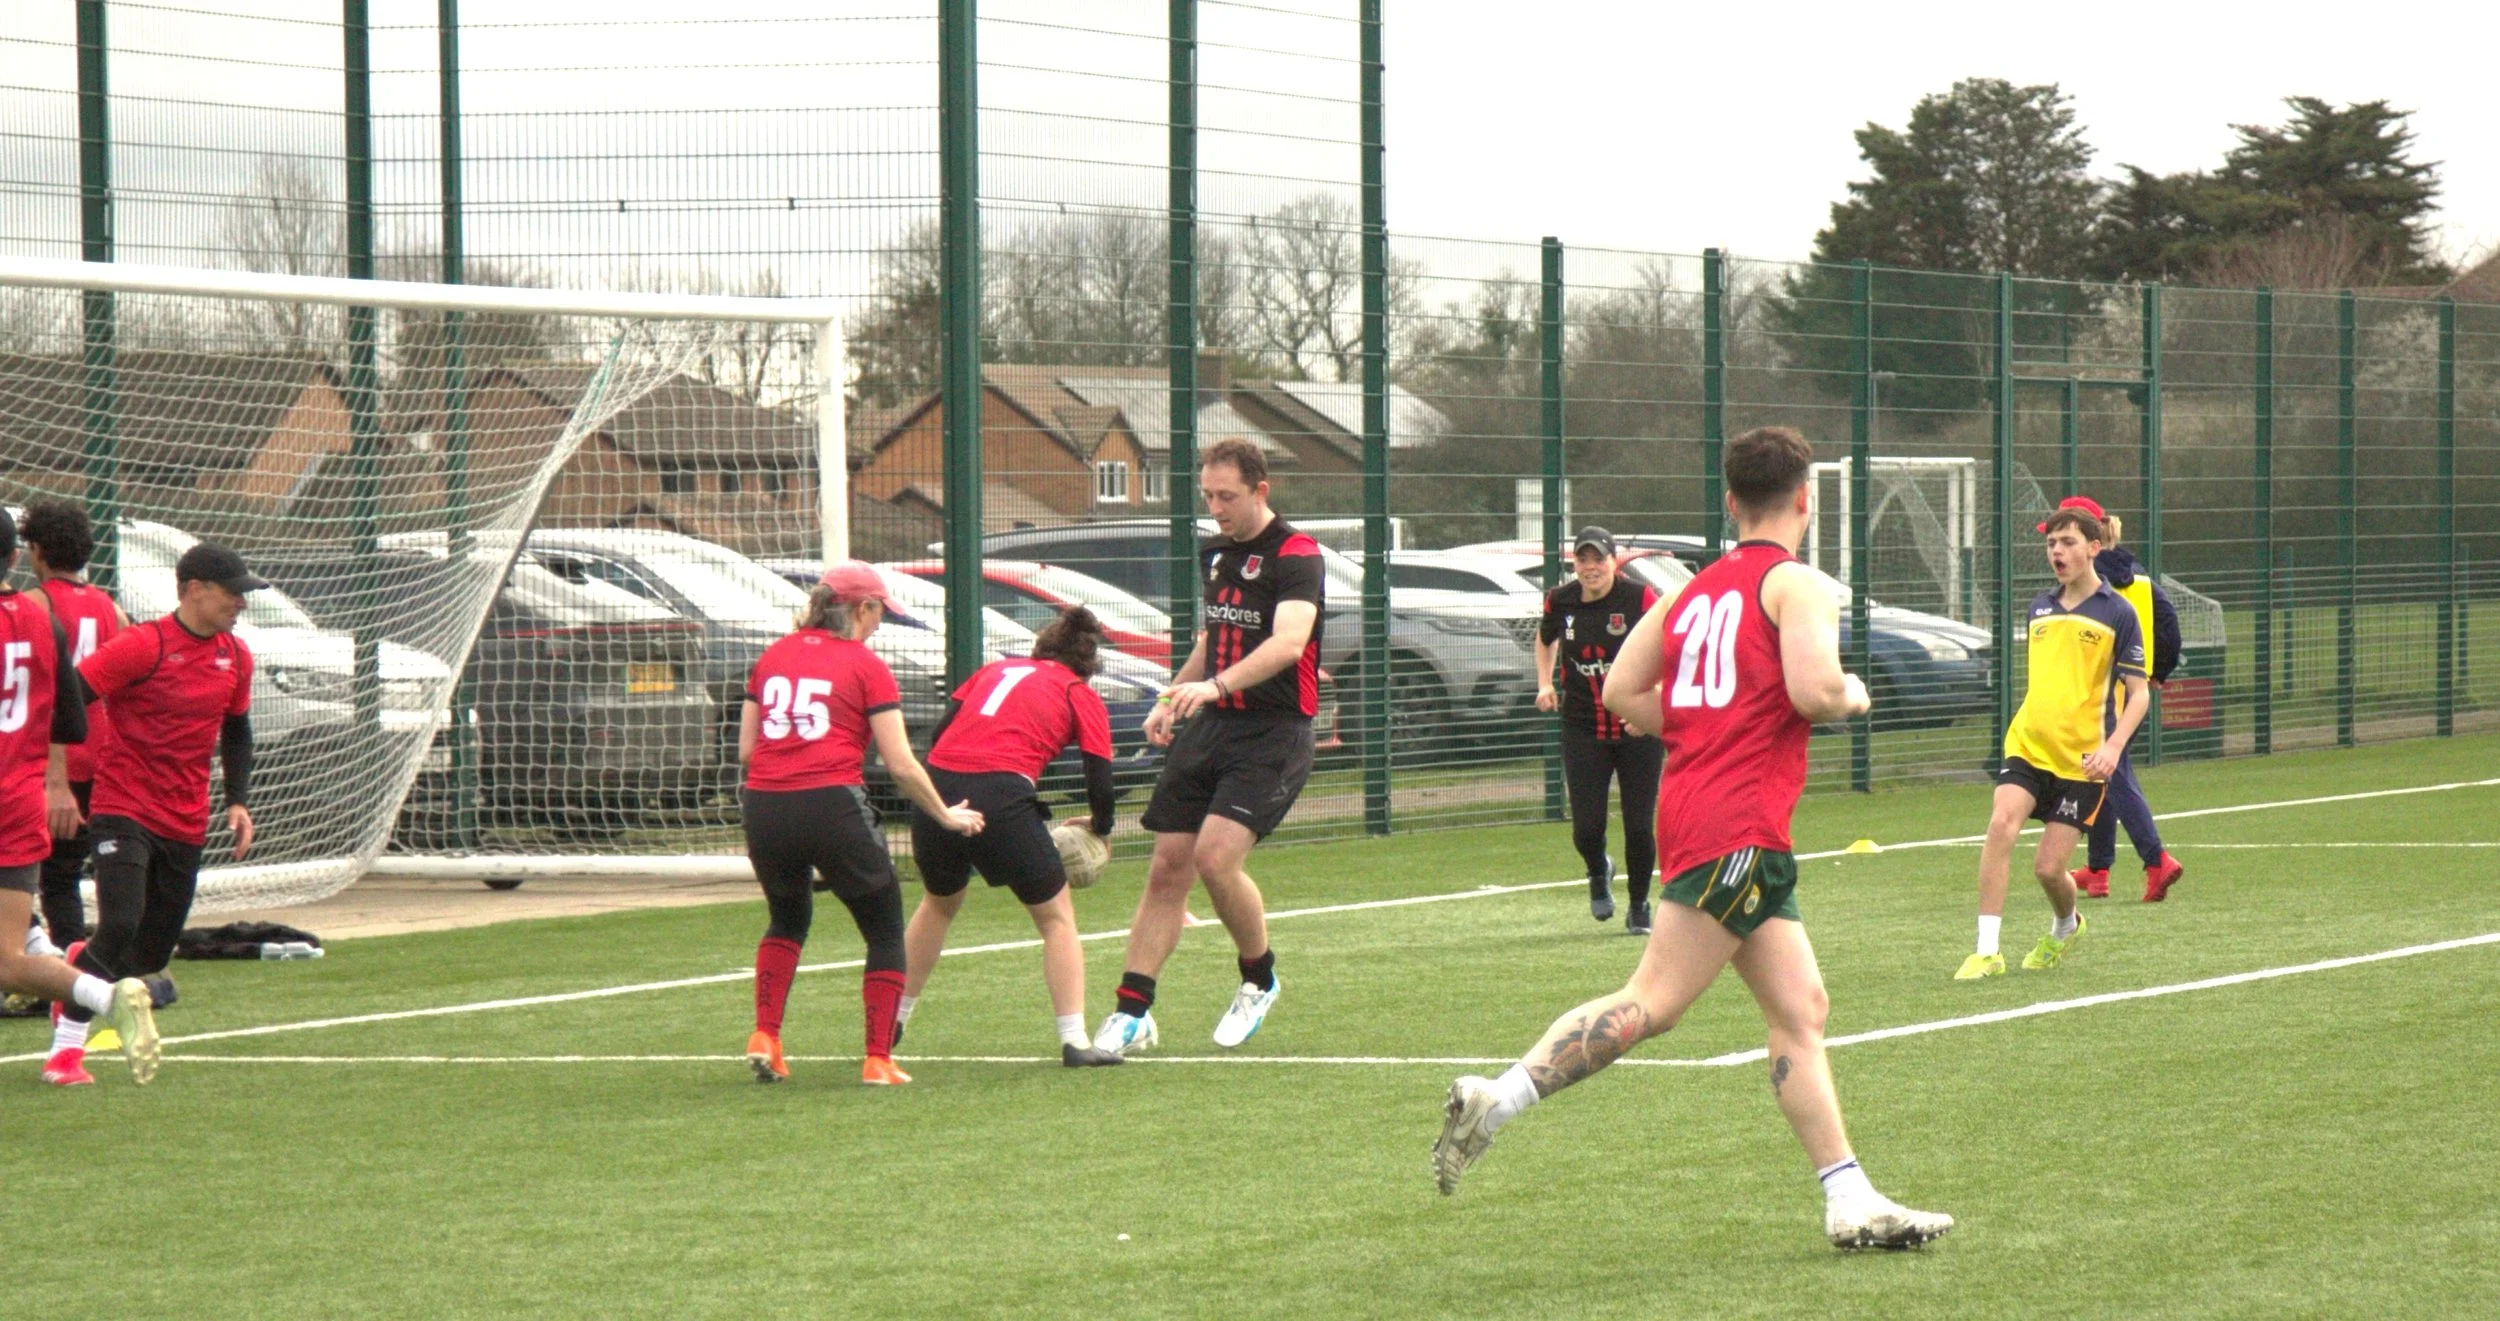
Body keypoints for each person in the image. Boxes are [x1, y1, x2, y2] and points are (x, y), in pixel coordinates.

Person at [1433, 427, 1953, 1250]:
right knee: (1654, 1000)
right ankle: (1500, 1096)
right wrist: (1854, 693)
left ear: (1730, 501)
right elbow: (1816, 689)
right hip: (1737, 822)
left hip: (1707, 809)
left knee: (1801, 1007)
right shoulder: (1798, 583)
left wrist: (1698, 733)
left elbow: (1621, 686)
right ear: (1806, 499)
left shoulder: (1688, 591)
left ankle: (1847, 1195)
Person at [1094, 436, 1321, 1056]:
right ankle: (1131, 1010)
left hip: (1274, 731)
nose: (1215, 507)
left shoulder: (1298, 554)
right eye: (1208, 496)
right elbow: (1213, 634)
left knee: (1216, 860)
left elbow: (1288, 644)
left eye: (1227, 496)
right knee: (1167, 864)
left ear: (1259, 491)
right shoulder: (1215, 553)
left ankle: (1259, 978)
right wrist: (1172, 695)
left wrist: (1215, 688)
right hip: (1213, 725)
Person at [739, 560, 982, 1087]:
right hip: (831, 804)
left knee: (787, 919)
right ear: (861, 609)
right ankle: (877, 1058)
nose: (878, 624)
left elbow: (746, 749)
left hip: (764, 805)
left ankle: (766, 1034)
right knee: (884, 929)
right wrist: (944, 813)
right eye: (878, 613)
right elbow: (899, 763)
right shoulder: (865, 665)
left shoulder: (772, 656)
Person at [55, 542, 263, 1085]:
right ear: (195, 590)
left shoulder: (237, 657)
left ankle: (78, 965)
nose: (241, 603)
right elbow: (70, 695)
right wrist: (58, 776)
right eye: (233, 592)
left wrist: (237, 799)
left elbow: (236, 729)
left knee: (148, 952)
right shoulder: (143, 646)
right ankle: (65, 1052)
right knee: (120, 922)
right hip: (122, 806)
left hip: (185, 818)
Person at [898, 606, 1125, 1068]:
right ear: (1085, 664)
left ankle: (893, 1017)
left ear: (1042, 648)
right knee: (1056, 918)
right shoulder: (1077, 691)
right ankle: (1076, 1041)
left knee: (938, 903)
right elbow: (1099, 776)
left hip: (937, 788)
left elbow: (943, 733)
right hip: (1001, 792)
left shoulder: (993, 670)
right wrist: (1101, 828)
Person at [1955, 507, 2150, 980]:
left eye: (2067, 542)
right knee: (2001, 825)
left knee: (2047, 869)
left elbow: (2138, 693)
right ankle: (1987, 951)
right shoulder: (2039, 607)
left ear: (2093, 548)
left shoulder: (2118, 613)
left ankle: (2067, 924)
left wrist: (2113, 748)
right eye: (2051, 544)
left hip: (2080, 763)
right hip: (2027, 744)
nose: (2057, 552)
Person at [2054, 502, 2186, 903]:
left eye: (2065, 537)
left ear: (2089, 541)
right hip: (2134, 689)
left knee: (2114, 774)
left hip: (2100, 695)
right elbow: (2169, 625)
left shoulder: (2085, 588)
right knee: (2102, 776)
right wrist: (2156, 672)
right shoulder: (2142, 579)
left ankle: (2156, 859)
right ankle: (2097, 869)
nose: (2057, 548)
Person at [1535, 526, 1663, 931]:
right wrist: (1544, 682)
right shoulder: (1560, 600)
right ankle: (1598, 868)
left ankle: (1640, 904)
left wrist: (1652, 700)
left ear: (1614, 562)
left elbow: (1669, 645)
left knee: (1639, 824)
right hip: (1582, 727)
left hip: (1636, 730)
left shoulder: (1638, 598)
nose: (1591, 568)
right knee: (1587, 828)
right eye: (1582, 560)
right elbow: (1544, 639)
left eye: (1599, 559)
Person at [22, 498, 127, 950]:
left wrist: (53, 778)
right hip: (99, 761)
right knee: (63, 876)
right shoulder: (109, 608)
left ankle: (56, 967)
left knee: (40, 875)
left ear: (38, 552)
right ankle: (74, 963)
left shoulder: (32, 605)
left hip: (46, 766)